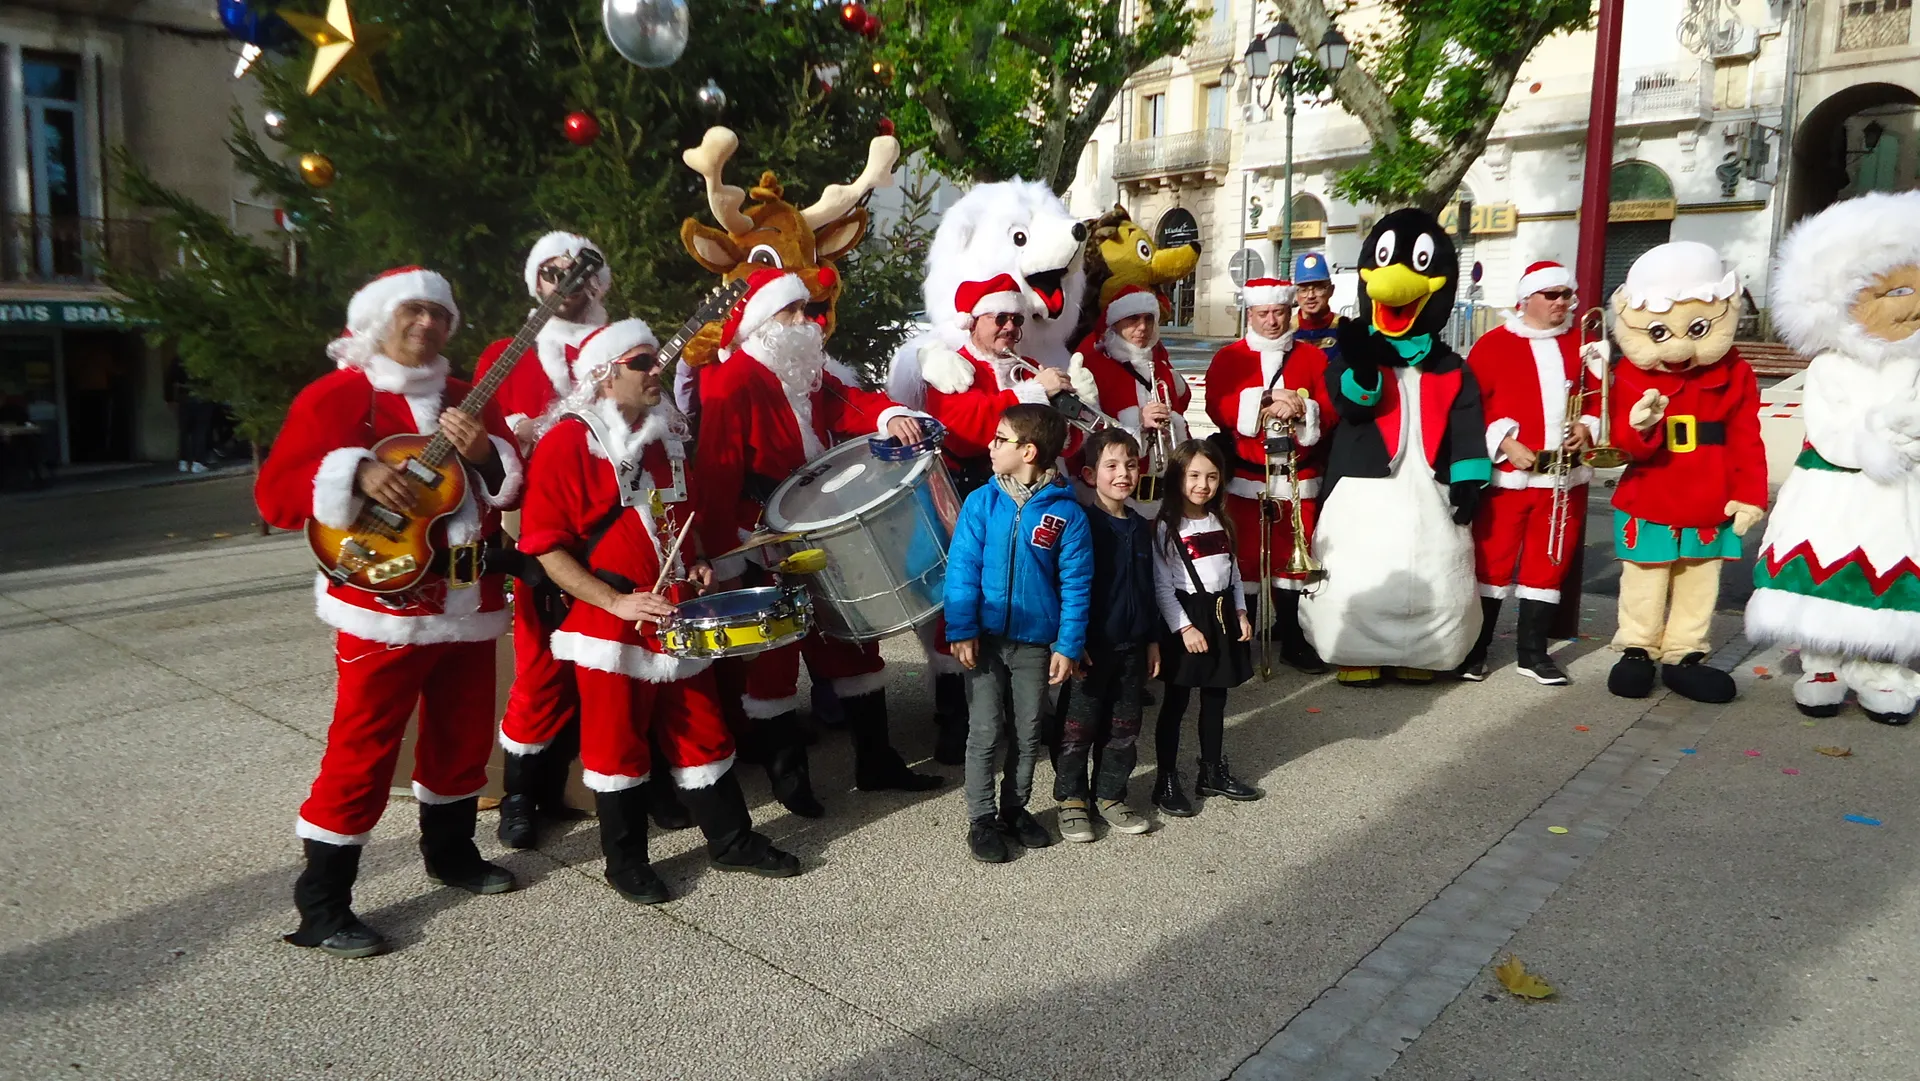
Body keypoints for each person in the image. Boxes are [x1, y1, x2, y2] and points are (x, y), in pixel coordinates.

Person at [254, 266, 525, 959]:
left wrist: (485, 452)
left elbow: (507, 487)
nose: (428, 324)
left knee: (464, 736)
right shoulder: (338, 394)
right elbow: (276, 495)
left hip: (467, 599)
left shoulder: (465, 397)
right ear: (380, 317)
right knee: (364, 747)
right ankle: (322, 904)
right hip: (383, 605)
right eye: (413, 310)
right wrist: (354, 470)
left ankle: (452, 854)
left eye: (440, 314)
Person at [517, 319, 800, 904]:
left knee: (704, 731)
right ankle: (625, 863)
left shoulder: (664, 441)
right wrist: (615, 601)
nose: (657, 372)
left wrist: (697, 563)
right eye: (642, 363)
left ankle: (731, 841)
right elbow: (545, 546)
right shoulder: (567, 443)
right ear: (604, 374)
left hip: (673, 614)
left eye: (657, 362)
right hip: (610, 622)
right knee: (615, 746)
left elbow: (682, 524)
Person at [694, 267, 943, 817]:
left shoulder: (805, 368)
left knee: (852, 639)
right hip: (763, 536)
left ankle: (876, 762)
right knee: (775, 657)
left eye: (805, 310)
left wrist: (891, 415)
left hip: (821, 525)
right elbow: (714, 477)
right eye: (793, 312)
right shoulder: (734, 381)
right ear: (764, 322)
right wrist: (727, 553)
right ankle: (790, 781)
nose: (806, 321)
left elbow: (850, 401)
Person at [479, 233, 631, 850]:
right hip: (540, 519)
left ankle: (627, 779)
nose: (566, 280)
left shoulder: (623, 346)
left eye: (579, 269)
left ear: (600, 280)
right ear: (534, 282)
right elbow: (486, 455)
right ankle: (521, 794)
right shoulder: (505, 354)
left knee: (625, 643)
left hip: (615, 516)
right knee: (541, 658)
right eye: (551, 271)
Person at [1299, 210, 1491, 687]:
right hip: (1363, 486)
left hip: (1431, 489)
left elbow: (1468, 425)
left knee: (1435, 563)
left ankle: (1424, 651)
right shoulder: (1353, 351)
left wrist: (1468, 480)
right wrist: (1363, 368)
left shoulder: (1450, 366)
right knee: (1359, 565)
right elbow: (1351, 406)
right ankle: (1354, 648)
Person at [897, 273, 1072, 763]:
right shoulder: (952, 366)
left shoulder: (1025, 368)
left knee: (1025, 589)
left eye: (1017, 319)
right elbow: (968, 426)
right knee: (960, 594)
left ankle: (1025, 709)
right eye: (1000, 318)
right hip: (965, 494)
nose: (1011, 327)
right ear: (974, 322)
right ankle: (954, 717)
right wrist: (1034, 392)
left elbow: (1055, 437)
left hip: (1025, 499)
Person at [945, 403, 1093, 862]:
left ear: (1028, 451)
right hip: (985, 641)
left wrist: (1068, 644)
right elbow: (961, 569)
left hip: (1033, 643)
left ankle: (1015, 809)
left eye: (999, 439)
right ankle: (981, 819)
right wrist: (962, 627)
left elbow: (1076, 584)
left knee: (1028, 732)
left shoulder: (1067, 514)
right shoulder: (981, 502)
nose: (989, 446)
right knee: (985, 731)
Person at [1460, 261, 1600, 685]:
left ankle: (1533, 654)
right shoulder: (1493, 345)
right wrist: (1504, 443)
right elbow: (1470, 408)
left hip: (1562, 480)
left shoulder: (1583, 345)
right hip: (1509, 478)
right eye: (1551, 295)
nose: (1562, 302)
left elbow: (1599, 399)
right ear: (1526, 299)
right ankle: (1475, 650)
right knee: (1491, 564)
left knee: (1549, 565)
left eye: (1566, 294)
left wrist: (1587, 426)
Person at [1204, 276, 1330, 673]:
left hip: (1296, 478)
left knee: (1293, 558)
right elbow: (1216, 406)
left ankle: (1292, 637)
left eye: (1278, 312)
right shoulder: (1229, 358)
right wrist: (1264, 398)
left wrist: (1303, 410)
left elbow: (1330, 409)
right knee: (1244, 558)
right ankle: (1243, 637)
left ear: (1290, 311)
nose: (1272, 321)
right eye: (1263, 313)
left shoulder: (1312, 358)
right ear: (1250, 314)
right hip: (1247, 478)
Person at [1055, 427, 1158, 842]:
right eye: (1111, 466)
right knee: (1076, 728)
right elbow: (1068, 586)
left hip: (1132, 647)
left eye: (1130, 465)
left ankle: (1111, 795)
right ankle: (1071, 799)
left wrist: (1152, 640)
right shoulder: (1082, 524)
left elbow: (1149, 588)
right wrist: (1072, 641)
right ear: (1088, 474)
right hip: (1090, 648)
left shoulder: (1141, 526)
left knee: (1124, 727)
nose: (1122, 474)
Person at [1150, 439, 1259, 817]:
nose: (1203, 485)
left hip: (1221, 614)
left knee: (1216, 698)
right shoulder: (1166, 526)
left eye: (1212, 477)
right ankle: (1166, 779)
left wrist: (1241, 612)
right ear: (1178, 477)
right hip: (1188, 616)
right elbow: (1163, 586)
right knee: (1176, 702)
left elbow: (1233, 573)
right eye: (1194, 476)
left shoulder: (1221, 521)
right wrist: (1184, 628)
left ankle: (1211, 770)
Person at [1068, 285, 1192, 503]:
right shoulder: (1093, 367)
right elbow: (1082, 437)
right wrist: (1138, 420)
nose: (1142, 327)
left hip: (1162, 497)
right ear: (1115, 323)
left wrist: (1172, 427)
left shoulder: (1162, 367)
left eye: (1149, 319)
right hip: (1113, 498)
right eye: (1133, 319)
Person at [1290, 252, 1344, 366]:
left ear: (1331, 290)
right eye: (1303, 290)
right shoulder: (1287, 330)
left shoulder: (1346, 329)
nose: (1310, 296)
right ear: (1295, 294)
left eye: (1318, 288)